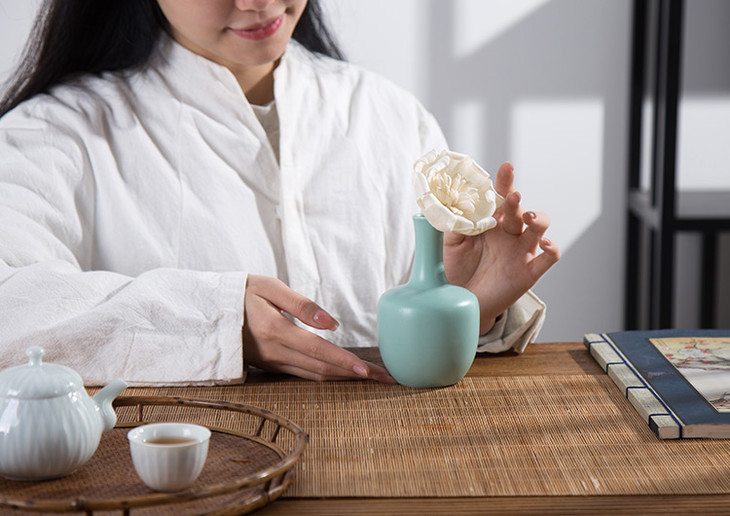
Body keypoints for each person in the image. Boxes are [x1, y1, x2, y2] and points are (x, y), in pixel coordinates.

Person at [0, 0, 560, 386]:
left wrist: (464, 310)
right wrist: (213, 321)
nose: (261, 1)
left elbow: (414, 357)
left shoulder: (388, 115)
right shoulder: (54, 135)